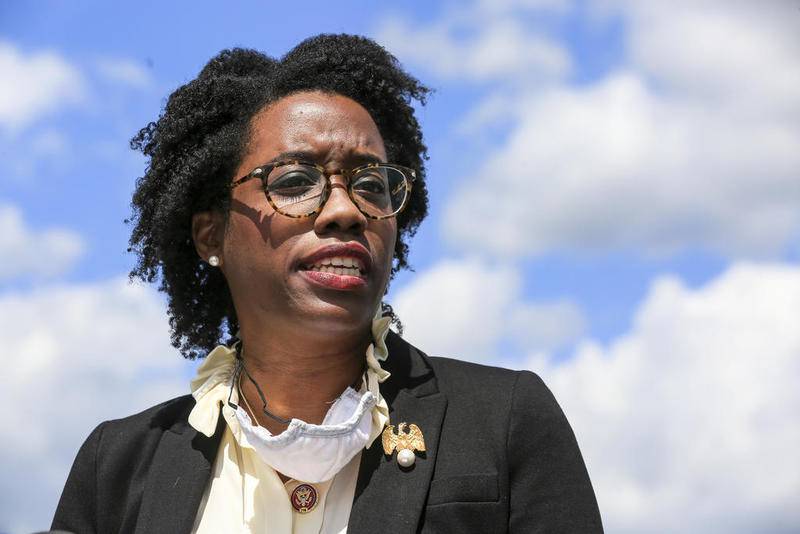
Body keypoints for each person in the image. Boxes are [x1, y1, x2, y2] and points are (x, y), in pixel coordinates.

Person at [51, 34, 603, 533]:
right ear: (210, 234)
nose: (345, 209)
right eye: (294, 180)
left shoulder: (503, 422)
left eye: (372, 183)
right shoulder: (118, 468)